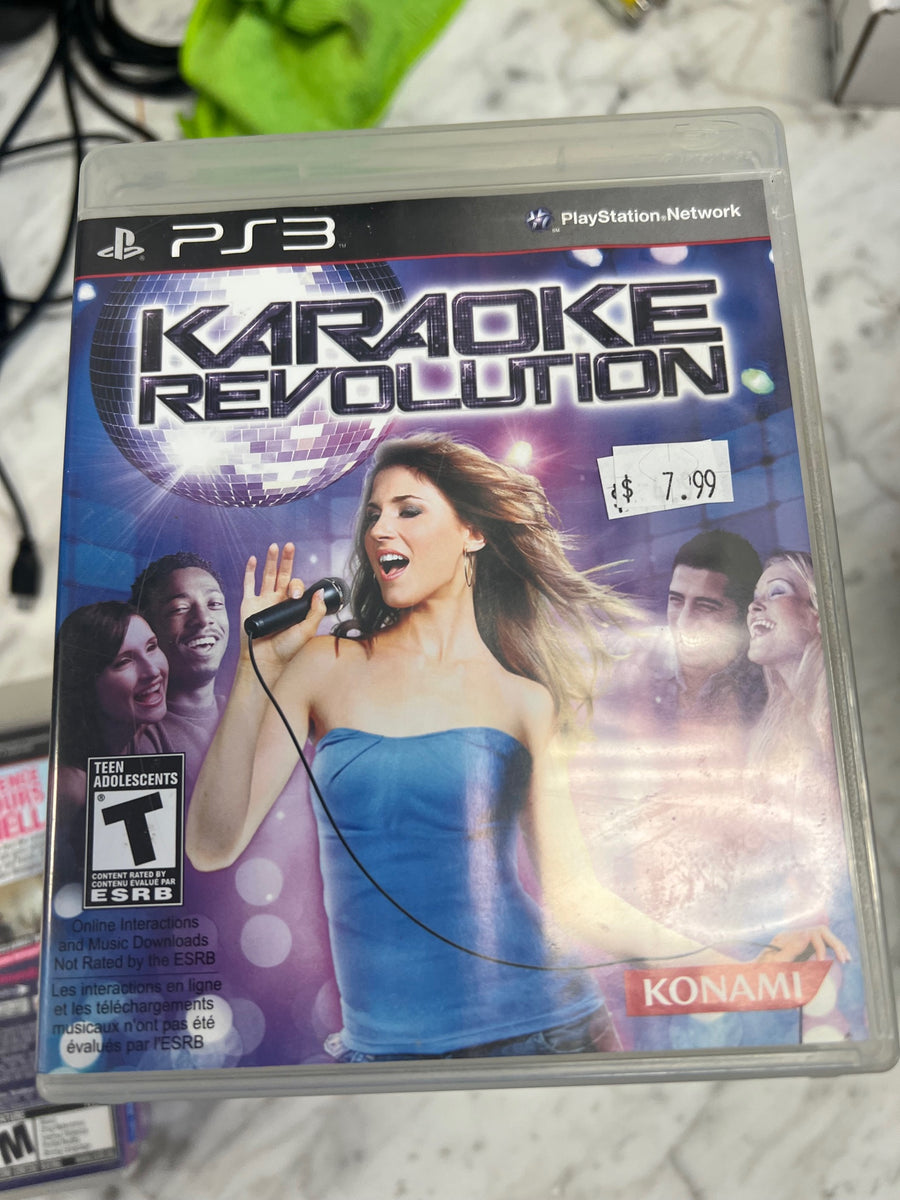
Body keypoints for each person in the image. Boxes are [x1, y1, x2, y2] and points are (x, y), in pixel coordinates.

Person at [187, 434, 841, 1063]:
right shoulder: (324, 666)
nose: (381, 529)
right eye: (374, 515)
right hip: (381, 1050)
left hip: (548, 1028)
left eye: (408, 510)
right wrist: (254, 668)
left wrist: (736, 972)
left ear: (473, 533)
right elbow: (212, 846)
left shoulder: (523, 700)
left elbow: (576, 897)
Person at [54, 602, 169, 880]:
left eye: (152, 647)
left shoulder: (159, 733)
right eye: (124, 662)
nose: (152, 671)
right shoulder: (71, 785)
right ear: (85, 682)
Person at [635, 530, 767, 734]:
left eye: (705, 606)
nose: (684, 621)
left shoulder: (769, 685)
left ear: (743, 613)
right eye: (676, 601)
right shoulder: (641, 666)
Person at [130, 552, 229, 792]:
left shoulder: (244, 713)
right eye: (179, 608)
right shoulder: (140, 738)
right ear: (147, 627)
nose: (203, 619)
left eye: (214, 604)